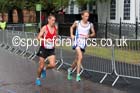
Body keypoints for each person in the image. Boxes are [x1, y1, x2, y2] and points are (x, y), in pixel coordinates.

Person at [67, 10, 95, 82]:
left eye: (88, 16)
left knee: (77, 60)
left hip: (83, 43)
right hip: (77, 42)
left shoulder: (90, 24)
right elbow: (71, 27)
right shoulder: (77, 22)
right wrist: (71, 34)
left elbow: (93, 33)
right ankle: (78, 75)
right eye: (85, 16)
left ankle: (70, 70)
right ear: (82, 16)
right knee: (80, 57)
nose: (87, 17)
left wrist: (89, 35)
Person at [36, 15, 57, 86]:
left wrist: (54, 41)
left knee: (53, 65)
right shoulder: (45, 28)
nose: (53, 22)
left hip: (51, 49)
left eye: (54, 20)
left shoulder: (55, 28)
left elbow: (55, 36)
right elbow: (38, 37)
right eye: (52, 20)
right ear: (48, 20)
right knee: (40, 66)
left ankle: (45, 68)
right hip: (43, 49)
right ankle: (38, 78)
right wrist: (45, 40)